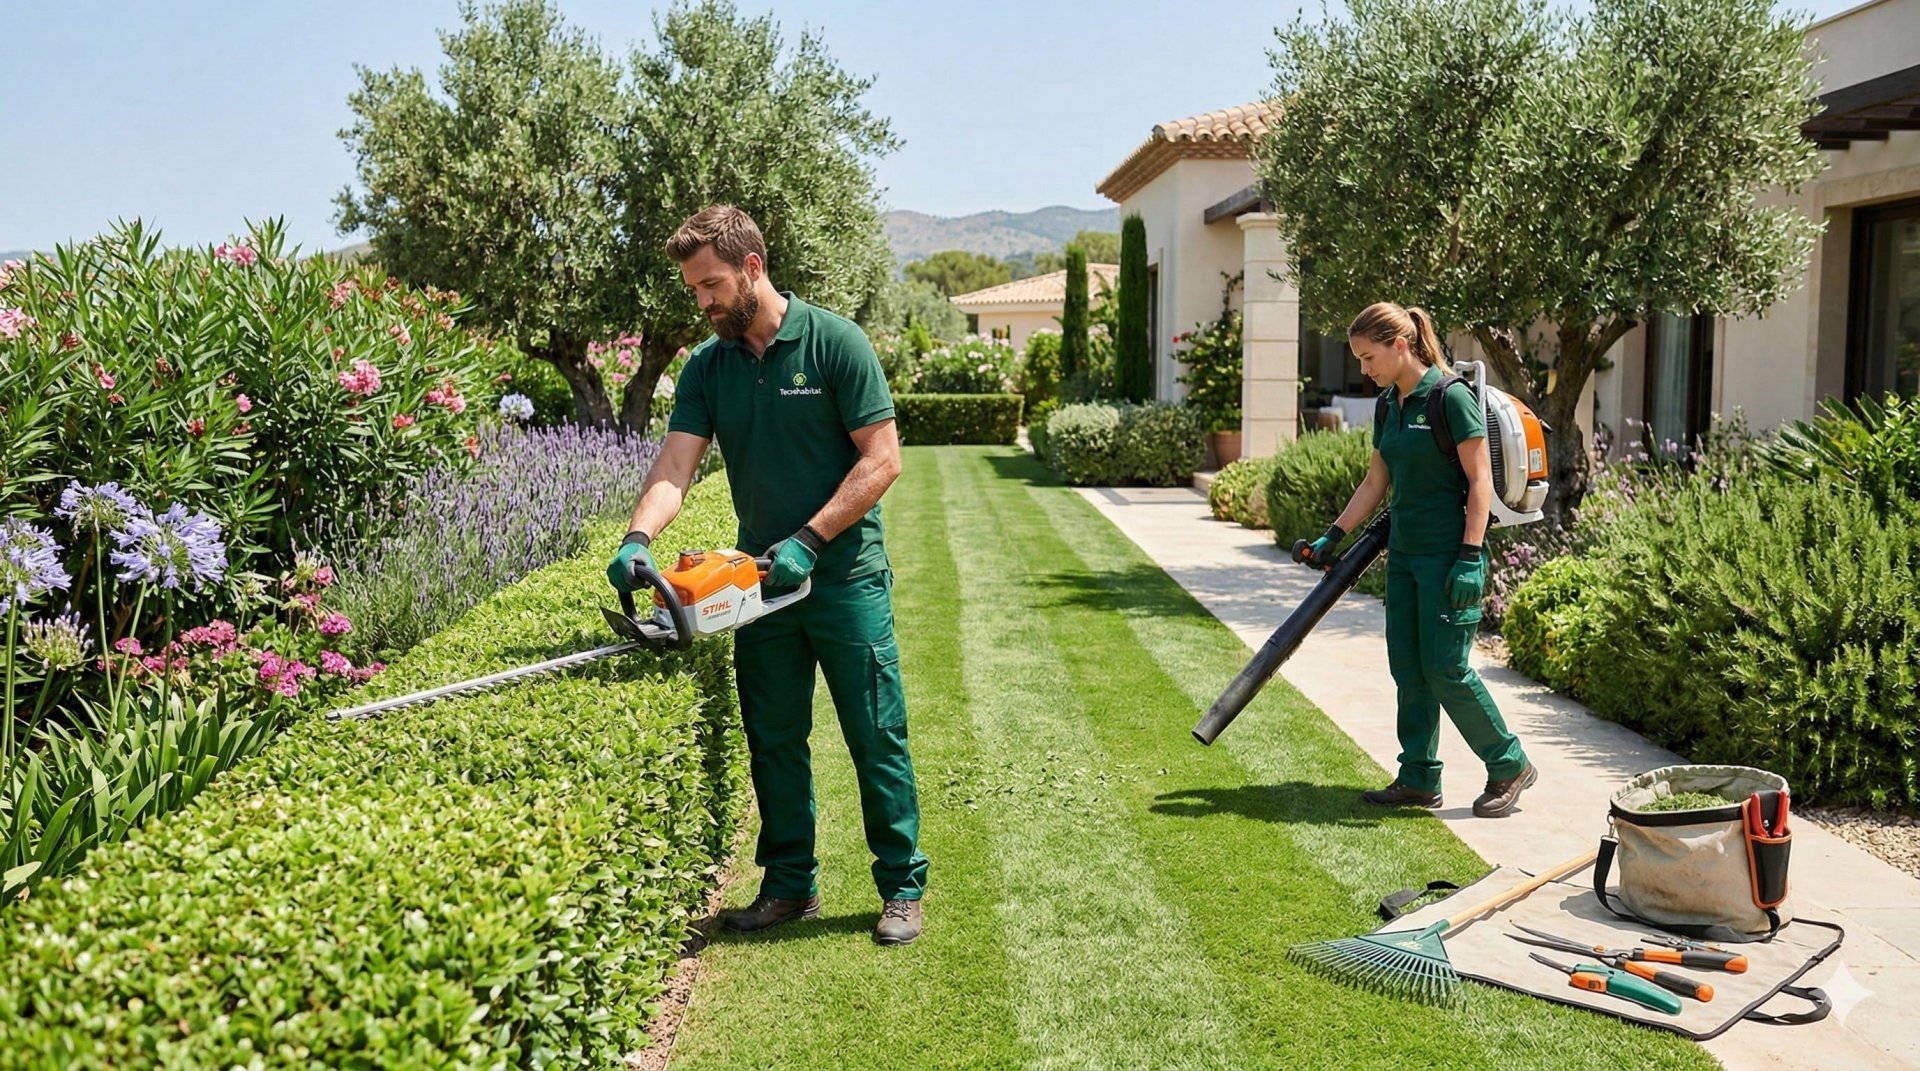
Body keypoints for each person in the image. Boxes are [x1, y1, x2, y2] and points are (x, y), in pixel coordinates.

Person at [607, 205, 928, 944]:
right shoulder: (709, 366)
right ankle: (789, 886)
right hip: (759, 587)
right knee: (774, 736)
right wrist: (638, 535)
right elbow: (676, 464)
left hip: (843, 577)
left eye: (713, 284)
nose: (705, 302)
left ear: (753, 267)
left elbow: (882, 459)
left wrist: (812, 538)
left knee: (875, 731)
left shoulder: (834, 342)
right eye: (694, 290)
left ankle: (901, 886)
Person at [1301, 302, 1536, 818]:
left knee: (1446, 668)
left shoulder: (1450, 398)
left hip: (1450, 558)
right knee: (1408, 668)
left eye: (1369, 357)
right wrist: (1332, 536)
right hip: (1404, 558)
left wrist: (1471, 557)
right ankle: (1418, 779)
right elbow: (1374, 483)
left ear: (1401, 345)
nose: (1364, 369)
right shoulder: (1390, 405)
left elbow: (1481, 483)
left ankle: (1509, 764)